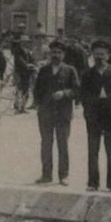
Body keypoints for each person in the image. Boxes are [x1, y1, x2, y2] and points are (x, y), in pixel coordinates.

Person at [80, 39, 111, 192]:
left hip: (110, 115)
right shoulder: (87, 74)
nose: (99, 57)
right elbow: (83, 95)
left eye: (102, 54)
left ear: (108, 55)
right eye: (96, 54)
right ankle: (93, 183)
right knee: (93, 150)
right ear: (92, 55)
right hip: (93, 115)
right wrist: (88, 111)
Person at [31, 42, 79, 185]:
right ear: (49, 54)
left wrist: (64, 93)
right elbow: (37, 90)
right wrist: (39, 105)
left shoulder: (70, 70)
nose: (56, 55)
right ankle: (46, 175)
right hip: (45, 113)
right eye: (54, 52)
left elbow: (77, 90)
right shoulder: (44, 70)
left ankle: (63, 175)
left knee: (62, 144)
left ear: (63, 55)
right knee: (46, 144)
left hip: (63, 113)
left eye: (59, 52)